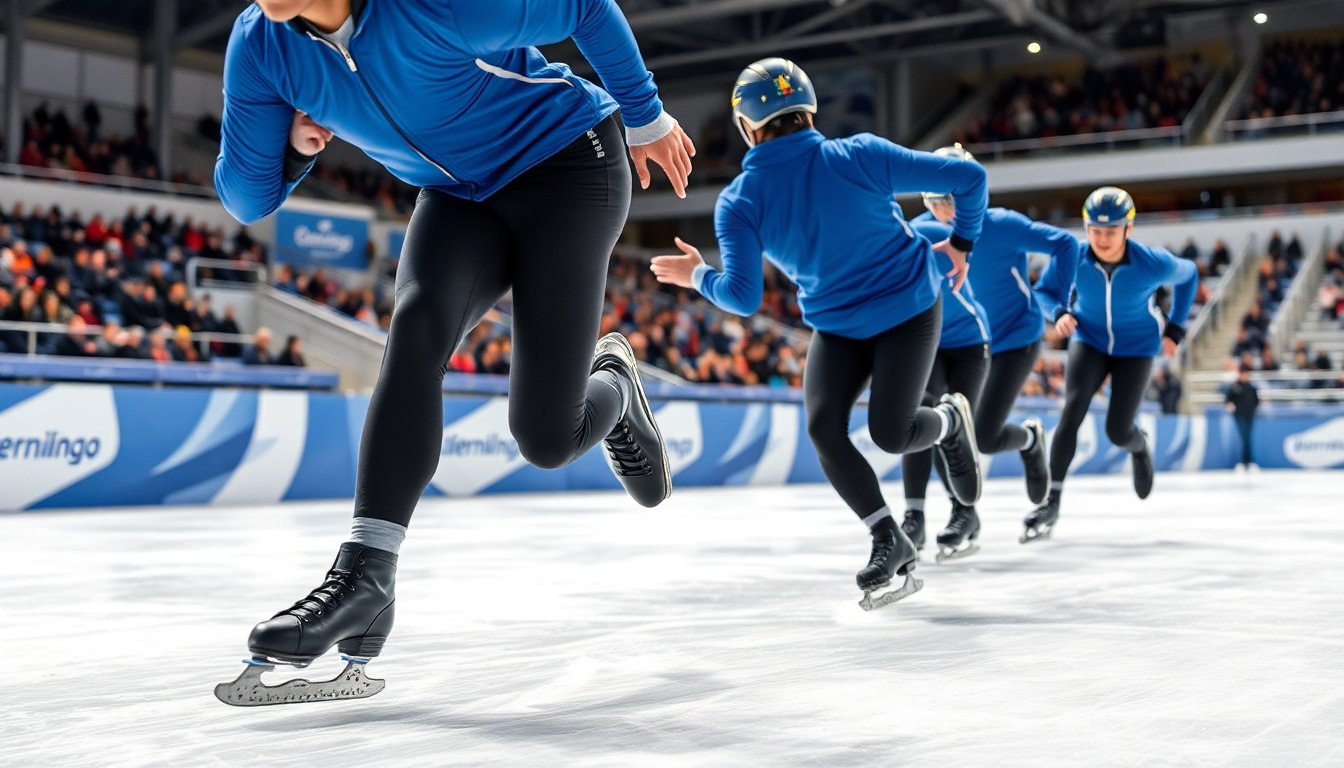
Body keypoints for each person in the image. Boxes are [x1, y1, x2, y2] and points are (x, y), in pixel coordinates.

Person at [212, 0, 694, 704]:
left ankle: (614, 383)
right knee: (414, 331)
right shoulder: (261, 47)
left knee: (545, 437)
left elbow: (586, 7)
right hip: (456, 193)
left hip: (563, 166)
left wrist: (646, 118)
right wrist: (291, 147)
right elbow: (247, 199)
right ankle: (365, 580)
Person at [650, 58, 986, 610]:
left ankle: (950, 422)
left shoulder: (739, 201)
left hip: (861, 320)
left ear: (746, 127)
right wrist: (961, 244)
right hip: (901, 308)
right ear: (807, 109)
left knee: (828, 431)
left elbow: (741, 298)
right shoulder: (859, 154)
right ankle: (889, 538)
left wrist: (696, 277)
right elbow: (969, 178)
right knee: (889, 433)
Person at [909, 144, 1076, 543]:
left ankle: (1030, 438)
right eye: (936, 202)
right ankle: (927, 514)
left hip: (1014, 339)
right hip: (953, 340)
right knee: (925, 417)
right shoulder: (921, 231)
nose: (946, 213)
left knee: (980, 436)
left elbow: (1066, 244)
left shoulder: (1000, 224)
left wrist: (1055, 300)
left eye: (954, 200)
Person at [1026, 187, 1198, 542]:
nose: (1101, 239)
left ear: (1128, 229)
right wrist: (1057, 313)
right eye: (1094, 230)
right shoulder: (1072, 256)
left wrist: (1176, 329)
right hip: (1089, 340)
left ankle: (1140, 446)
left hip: (1136, 348)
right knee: (1072, 409)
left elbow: (1190, 275)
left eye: (1110, 231)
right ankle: (1051, 501)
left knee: (1117, 431)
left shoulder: (1152, 262)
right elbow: (1043, 291)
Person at [903, 214, 991, 562]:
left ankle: (964, 510)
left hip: (968, 343)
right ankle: (914, 516)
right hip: (929, 340)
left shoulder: (930, 234)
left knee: (955, 426)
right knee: (919, 414)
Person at [1224, 366, 1259, 471]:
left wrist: (1253, 410)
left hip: (1250, 416)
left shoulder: (1251, 388)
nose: (1244, 376)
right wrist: (1230, 405)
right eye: (1242, 374)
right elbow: (1227, 400)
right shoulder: (1234, 387)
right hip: (1239, 416)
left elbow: (1256, 401)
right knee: (1244, 437)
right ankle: (1244, 462)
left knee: (1248, 438)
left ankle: (1248, 461)